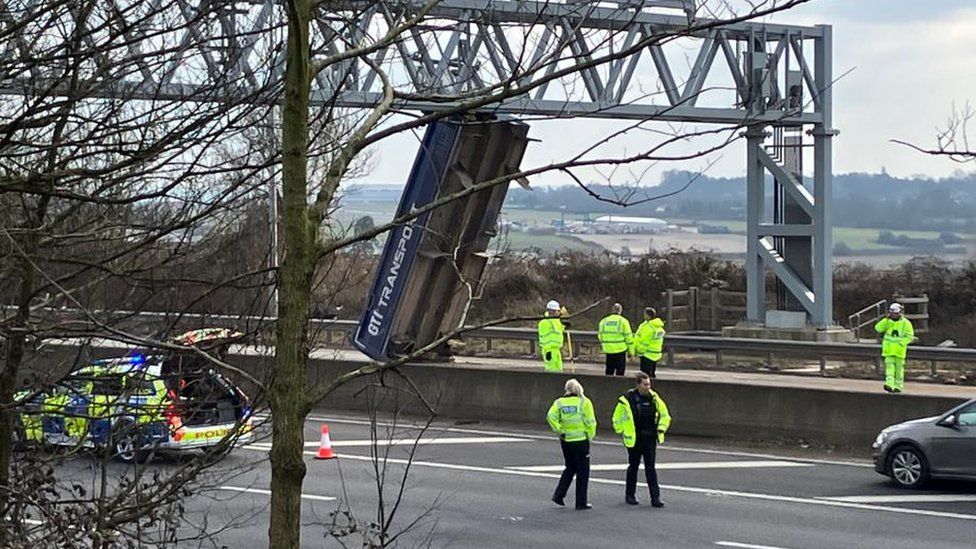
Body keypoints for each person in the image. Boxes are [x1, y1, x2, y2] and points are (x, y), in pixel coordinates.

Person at [612, 372, 671, 508]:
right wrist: (621, 430)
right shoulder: (627, 399)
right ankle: (630, 495)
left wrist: (661, 429)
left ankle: (655, 498)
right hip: (635, 438)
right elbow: (617, 418)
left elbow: (665, 415)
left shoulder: (654, 398)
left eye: (649, 384)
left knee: (651, 468)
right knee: (633, 467)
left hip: (650, 438)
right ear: (638, 384)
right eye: (645, 384)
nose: (648, 387)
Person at [546, 378, 596, 510]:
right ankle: (581, 502)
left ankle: (559, 495)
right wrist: (590, 437)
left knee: (570, 468)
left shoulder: (559, 402)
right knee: (583, 472)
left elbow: (550, 416)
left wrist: (559, 430)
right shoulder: (584, 402)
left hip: (566, 440)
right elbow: (591, 421)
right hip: (580, 440)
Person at [874, 302, 914, 393]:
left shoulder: (906, 323)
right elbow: (877, 328)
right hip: (889, 351)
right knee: (889, 370)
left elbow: (910, 336)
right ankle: (889, 385)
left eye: (895, 313)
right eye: (892, 313)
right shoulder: (887, 321)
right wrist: (885, 320)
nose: (894, 315)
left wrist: (901, 343)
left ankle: (898, 387)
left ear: (900, 313)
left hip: (900, 351)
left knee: (899, 371)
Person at [598, 302, 633, 376]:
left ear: (612, 310)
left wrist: (604, 345)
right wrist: (631, 351)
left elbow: (600, 336)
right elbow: (629, 337)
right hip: (620, 351)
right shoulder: (623, 321)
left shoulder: (603, 321)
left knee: (609, 372)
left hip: (609, 351)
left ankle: (608, 387)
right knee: (620, 374)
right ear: (620, 311)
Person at [634, 307, 666, 378]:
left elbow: (643, 342)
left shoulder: (648, 327)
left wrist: (638, 352)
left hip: (646, 354)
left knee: (645, 376)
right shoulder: (659, 327)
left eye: (645, 314)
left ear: (648, 315)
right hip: (655, 354)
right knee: (652, 374)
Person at [538, 300, 566, 372]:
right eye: (557, 311)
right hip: (549, 350)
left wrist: (565, 317)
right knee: (551, 370)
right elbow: (544, 339)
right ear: (552, 311)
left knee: (559, 370)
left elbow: (561, 328)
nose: (558, 312)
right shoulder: (544, 322)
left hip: (556, 350)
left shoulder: (556, 321)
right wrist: (548, 352)